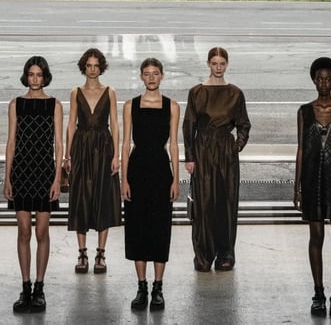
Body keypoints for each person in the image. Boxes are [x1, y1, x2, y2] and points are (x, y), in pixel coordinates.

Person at [294, 57, 331, 318]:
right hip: (311, 180)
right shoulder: (304, 111)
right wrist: (296, 185)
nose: (323, 83)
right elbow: (300, 149)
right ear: (313, 80)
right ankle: (318, 294)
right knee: (316, 237)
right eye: (319, 78)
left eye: (328, 78)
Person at [182, 47, 250, 272]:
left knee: (226, 202)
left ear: (227, 64)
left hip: (225, 153)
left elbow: (243, 124)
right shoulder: (197, 92)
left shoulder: (235, 93)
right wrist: (189, 157)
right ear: (208, 64)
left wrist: (236, 145)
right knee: (203, 203)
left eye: (222, 64)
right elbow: (188, 125)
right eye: (214, 64)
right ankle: (203, 255)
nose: (218, 68)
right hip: (203, 151)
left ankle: (225, 254)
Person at [5, 56, 63, 313]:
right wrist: (7, 177)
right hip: (21, 172)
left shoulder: (55, 105)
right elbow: (11, 142)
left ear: (45, 76)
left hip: (44, 172)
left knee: (41, 232)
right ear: (26, 76)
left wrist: (58, 177)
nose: (35, 78)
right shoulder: (16, 104)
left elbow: (59, 145)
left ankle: (40, 287)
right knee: (24, 232)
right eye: (31, 74)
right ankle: (25, 286)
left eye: (39, 74)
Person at [122, 58, 180, 312]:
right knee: (137, 227)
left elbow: (175, 145)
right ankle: (141, 286)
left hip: (160, 168)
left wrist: (176, 178)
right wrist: (123, 179)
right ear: (141, 77)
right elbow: (125, 144)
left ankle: (158, 287)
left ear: (162, 76)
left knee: (159, 226)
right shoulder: (130, 105)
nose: (152, 78)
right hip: (136, 169)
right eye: (147, 74)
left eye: (156, 73)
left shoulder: (172, 106)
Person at [64, 48, 120, 275]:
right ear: (83, 67)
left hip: (104, 146)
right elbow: (70, 124)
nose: (93, 69)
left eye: (97, 65)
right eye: (89, 65)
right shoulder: (75, 92)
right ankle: (82, 252)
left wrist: (116, 155)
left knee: (103, 196)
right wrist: (67, 155)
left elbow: (115, 124)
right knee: (81, 197)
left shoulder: (110, 91)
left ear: (101, 67)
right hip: (82, 146)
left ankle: (100, 253)